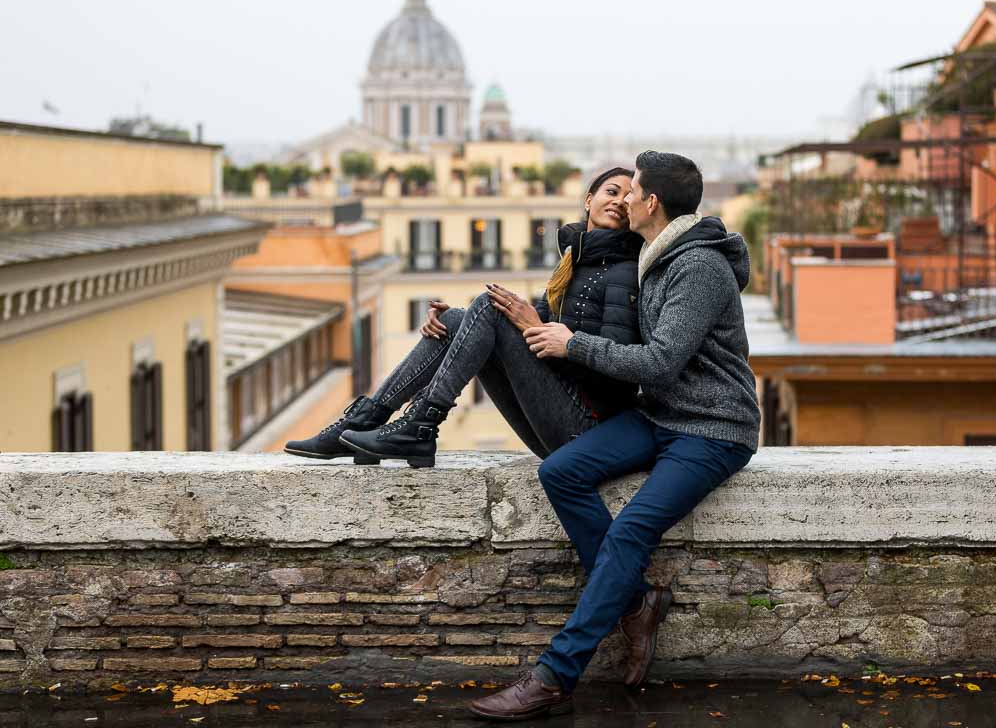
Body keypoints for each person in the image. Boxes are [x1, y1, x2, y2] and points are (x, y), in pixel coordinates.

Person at [468, 151, 761, 721]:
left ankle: (554, 676)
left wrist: (572, 344)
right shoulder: (657, 252)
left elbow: (660, 360)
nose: (623, 197)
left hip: (713, 429)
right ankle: (637, 601)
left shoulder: (697, 266)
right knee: (561, 471)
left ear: (651, 203)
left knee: (630, 531)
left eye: (633, 191)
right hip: (662, 417)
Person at [283, 167, 644, 467]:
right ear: (588, 200)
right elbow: (540, 327)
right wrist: (456, 322)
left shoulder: (624, 271)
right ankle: (366, 419)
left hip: (585, 431)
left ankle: (422, 424)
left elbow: (612, 376)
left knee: (488, 306)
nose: (617, 202)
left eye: (627, 200)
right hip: (561, 418)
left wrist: (540, 330)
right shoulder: (575, 261)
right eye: (611, 191)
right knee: (455, 320)